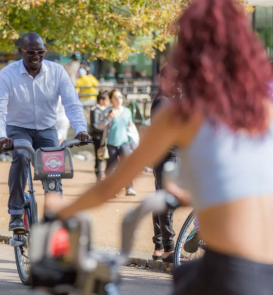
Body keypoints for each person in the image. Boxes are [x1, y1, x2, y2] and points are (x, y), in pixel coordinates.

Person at [50, 0, 273, 293]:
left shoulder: (182, 114)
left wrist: (61, 210)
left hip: (229, 274)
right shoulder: (262, 108)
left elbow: (111, 185)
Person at [0, 32, 90, 230]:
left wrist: (81, 130)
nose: (36, 56)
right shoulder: (7, 74)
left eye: (41, 52)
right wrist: (1, 136)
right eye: (31, 52)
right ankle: (16, 212)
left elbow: (72, 104)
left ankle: (55, 220)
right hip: (18, 128)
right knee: (20, 156)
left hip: (46, 129)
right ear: (20, 51)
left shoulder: (57, 72)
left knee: (54, 172)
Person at [149, 64, 186, 263]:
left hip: (165, 155)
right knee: (166, 202)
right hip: (167, 156)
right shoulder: (163, 102)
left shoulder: (167, 100)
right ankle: (169, 250)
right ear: (162, 80)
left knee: (160, 199)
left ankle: (159, 246)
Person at [98, 89, 136, 196]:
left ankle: (129, 187)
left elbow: (130, 126)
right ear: (111, 100)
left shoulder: (127, 111)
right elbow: (99, 125)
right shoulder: (107, 112)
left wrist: (133, 141)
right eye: (116, 97)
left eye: (120, 97)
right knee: (111, 166)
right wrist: (108, 118)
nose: (119, 99)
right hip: (111, 142)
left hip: (124, 142)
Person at [90, 92, 109, 181]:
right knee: (99, 157)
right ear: (101, 101)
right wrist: (104, 130)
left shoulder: (107, 110)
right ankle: (99, 177)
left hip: (106, 137)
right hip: (98, 137)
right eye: (106, 100)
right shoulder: (95, 110)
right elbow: (95, 125)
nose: (108, 102)